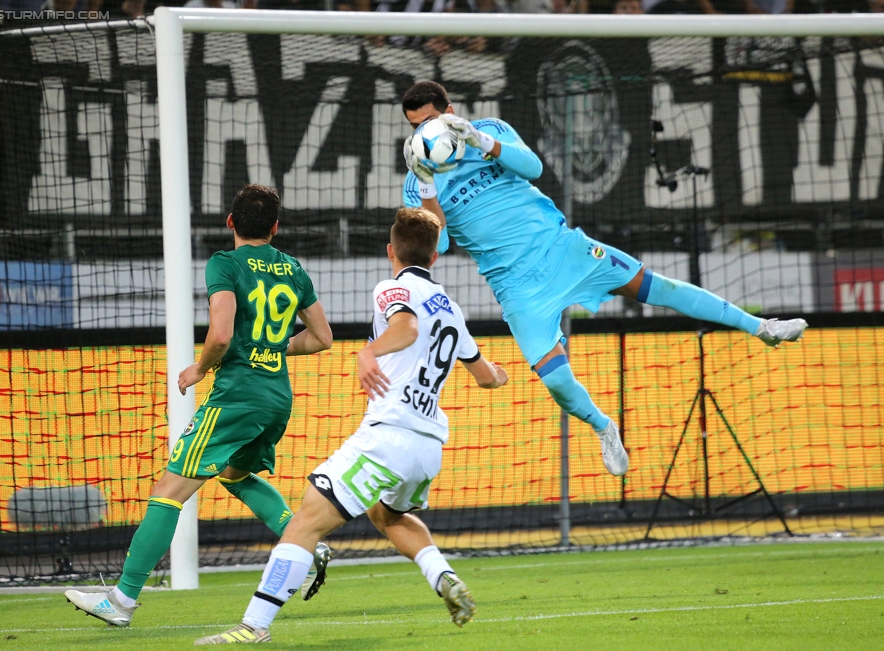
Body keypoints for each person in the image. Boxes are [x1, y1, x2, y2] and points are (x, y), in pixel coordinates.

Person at [400, 81, 808, 478]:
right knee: (557, 382)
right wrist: (427, 183)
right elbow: (442, 243)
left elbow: (535, 167)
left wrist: (477, 140)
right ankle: (603, 427)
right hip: (517, 285)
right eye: (416, 127)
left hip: (564, 249)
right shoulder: (415, 181)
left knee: (658, 288)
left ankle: (762, 327)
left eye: (431, 120)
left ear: (450, 113)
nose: (425, 132)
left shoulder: (489, 130)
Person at [195, 207, 508, 645]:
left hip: (389, 435)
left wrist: (368, 353)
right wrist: (503, 372)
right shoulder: (451, 307)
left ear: (390, 251)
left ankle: (254, 626)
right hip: (427, 446)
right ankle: (443, 576)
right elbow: (486, 377)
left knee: (305, 522)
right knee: (387, 513)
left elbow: (407, 327)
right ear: (435, 257)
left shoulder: (391, 287)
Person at [65, 184, 334, 627]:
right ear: (275, 227)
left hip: (237, 397)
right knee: (234, 473)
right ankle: (307, 543)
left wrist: (199, 369)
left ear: (230, 222)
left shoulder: (224, 263)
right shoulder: (292, 268)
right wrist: (269, 347)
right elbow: (322, 338)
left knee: (167, 492)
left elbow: (222, 334)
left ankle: (121, 600)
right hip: (276, 398)